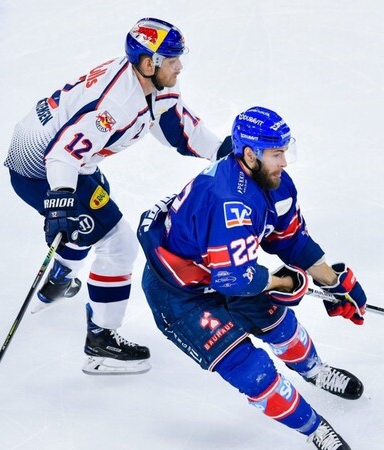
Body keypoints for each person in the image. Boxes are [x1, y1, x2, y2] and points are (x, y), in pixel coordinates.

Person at [4, 17, 232, 375]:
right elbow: (61, 155)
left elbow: (181, 130)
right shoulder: (115, 106)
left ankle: (58, 280)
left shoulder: (152, 87)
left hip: (73, 161)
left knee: (89, 221)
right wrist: (60, 200)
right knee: (118, 244)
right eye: (171, 60)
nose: (180, 66)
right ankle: (100, 343)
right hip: (41, 170)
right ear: (148, 63)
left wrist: (227, 151)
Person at [136, 106, 368, 449]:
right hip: (180, 294)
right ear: (249, 154)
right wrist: (286, 283)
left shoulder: (275, 182)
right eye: (277, 154)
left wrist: (330, 280)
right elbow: (234, 281)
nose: (285, 162)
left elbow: (291, 239)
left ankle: (314, 371)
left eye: (285, 151)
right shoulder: (227, 200)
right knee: (251, 369)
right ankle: (314, 428)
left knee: (280, 325)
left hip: (226, 268)